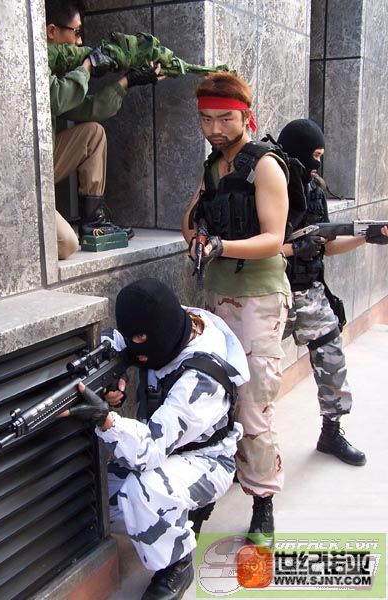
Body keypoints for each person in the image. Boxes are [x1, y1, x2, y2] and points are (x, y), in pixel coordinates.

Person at [65, 277, 249, 600]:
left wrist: (105, 419)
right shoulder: (170, 321)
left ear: (162, 331)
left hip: (207, 460)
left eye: (141, 339)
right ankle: (175, 514)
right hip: (162, 447)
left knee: (142, 494)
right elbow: (118, 341)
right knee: (96, 500)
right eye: (132, 338)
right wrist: (110, 371)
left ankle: (177, 562)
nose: (136, 346)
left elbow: (150, 448)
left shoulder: (201, 378)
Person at [182, 72, 292, 546]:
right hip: (216, 297)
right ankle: (210, 487)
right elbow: (188, 223)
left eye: (225, 118)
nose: (214, 129)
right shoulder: (213, 167)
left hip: (259, 300)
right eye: (206, 119)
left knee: (253, 405)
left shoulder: (264, 166)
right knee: (214, 397)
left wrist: (222, 246)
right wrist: (199, 238)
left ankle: (263, 501)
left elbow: (273, 239)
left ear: (247, 116)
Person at [278, 118, 388, 467]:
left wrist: (367, 237)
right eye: (314, 156)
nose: (318, 165)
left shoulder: (313, 190)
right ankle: (244, 446)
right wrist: (294, 248)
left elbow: (328, 243)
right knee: (254, 372)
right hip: (270, 293)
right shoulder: (267, 184)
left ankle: (331, 432)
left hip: (309, 291)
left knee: (332, 358)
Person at [45, 0, 163, 259]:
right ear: (51, 31)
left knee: (93, 133)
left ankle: (93, 222)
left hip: (42, 167)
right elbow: (57, 98)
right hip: (20, 180)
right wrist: (86, 66)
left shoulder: (54, 67)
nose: (79, 42)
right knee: (66, 243)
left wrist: (127, 81)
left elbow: (87, 109)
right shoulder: (30, 63)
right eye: (76, 32)